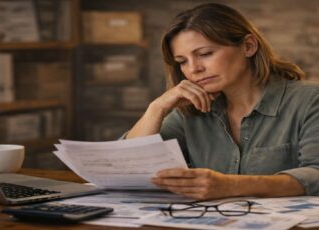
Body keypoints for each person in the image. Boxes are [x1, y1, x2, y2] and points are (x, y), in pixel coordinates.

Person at [124, 3, 319, 200]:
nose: (193, 69)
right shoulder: (190, 112)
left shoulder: (310, 100)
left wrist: (230, 185)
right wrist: (156, 107)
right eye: (182, 61)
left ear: (248, 46)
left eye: (205, 54)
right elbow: (126, 166)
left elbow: (316, 173)